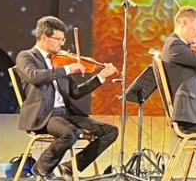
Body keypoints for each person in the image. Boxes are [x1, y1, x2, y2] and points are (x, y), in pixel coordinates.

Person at [14, 16, 120, 180]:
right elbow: (34, 76)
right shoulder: (26, 56)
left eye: (63, 39)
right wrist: (67, 69)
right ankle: (42, 167)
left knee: (110, 131)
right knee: (70, 133)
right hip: (44, 115)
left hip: (66, 114)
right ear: (45, 37)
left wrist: (101, 77)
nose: (62, 44)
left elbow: (75, 92)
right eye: (59, 39)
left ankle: (71, 166)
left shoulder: (58, 61)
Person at [162, 6, 196, 134]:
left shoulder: (177, 45)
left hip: (192, 112)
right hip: (190, 116)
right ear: (184, 22)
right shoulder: (175, 46)